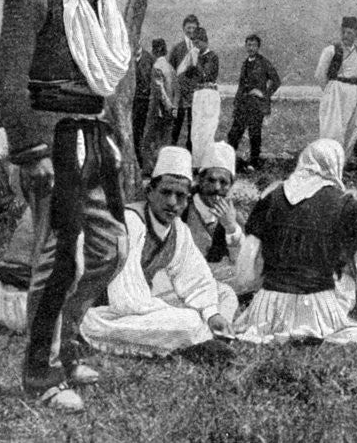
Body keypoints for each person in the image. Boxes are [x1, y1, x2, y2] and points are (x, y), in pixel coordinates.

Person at [0, 0, 130, 412]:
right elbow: (6, 78)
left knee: (111, 248)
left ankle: (68, 342)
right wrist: (29, 151)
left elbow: (102, 73)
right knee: (58, 257)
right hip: (52, 138)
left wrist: (109, 135)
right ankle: (40, 373)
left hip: (92, 133)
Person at [75, 146, 237, 358]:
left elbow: (195, 277)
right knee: (187, 322)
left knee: (214, 301)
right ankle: (192, 343)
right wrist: (174, 313)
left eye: (180, 196)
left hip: (138, 307)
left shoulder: (179, 230)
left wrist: (211, 313)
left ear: (187, 200)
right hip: (97, 308)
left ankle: (196, 338)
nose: (172, 202)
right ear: (150, 192)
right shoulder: (130, 222)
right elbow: (126, 299)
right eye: (166, 192)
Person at [233, 139, 357, 344]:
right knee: (347, 279)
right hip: (316, 308)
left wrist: (252, 286)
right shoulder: (344, 204)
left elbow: (249, 256)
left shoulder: (271, 198)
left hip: (268, 307)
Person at [183, 142, 256, 295]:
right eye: (211, 180)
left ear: (231, 186)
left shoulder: (233, 214)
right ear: (200, 180)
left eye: (223, 182)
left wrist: (230, 227)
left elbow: (242, 261)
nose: (217, 188)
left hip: (218, 276)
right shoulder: (183, 209)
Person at [226, 34, 281, 172]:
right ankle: (228, 161)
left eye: (254, 45)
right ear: (246, 46)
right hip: (243, 104)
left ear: (258, 47)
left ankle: (253, 163)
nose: (251, 48)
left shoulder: (263, 62)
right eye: (249, 45)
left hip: (256, 105)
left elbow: (276, 80)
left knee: (254, 134)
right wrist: (236, 104)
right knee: (234, 133)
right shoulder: (245, 63)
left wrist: (264, 94)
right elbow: (241, 86)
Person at [315, 16, 357, 156]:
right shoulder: (331, 50)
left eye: (349, 33)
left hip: (354, 93)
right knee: (333, 130)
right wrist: (331, 92)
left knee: (351, 129)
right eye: (343, 32)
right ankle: (328, 165)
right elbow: (320, 75)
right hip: (336, 92)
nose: (345, 36)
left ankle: (343, 165)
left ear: (356, 34)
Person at [176, 27, 220, 169]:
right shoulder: (196, 56)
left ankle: (206, 163)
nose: (196, 46)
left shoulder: (212, 56)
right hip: (197, 95)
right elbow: (182, 74)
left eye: (198, 42)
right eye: (194, 43)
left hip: (208, 95)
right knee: (195, 130)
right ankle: (195, 162)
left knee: (206, 130)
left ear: (205, 41)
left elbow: (205, 75)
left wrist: (195, 63)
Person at [141, 38, 177, 176]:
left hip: (158, 110)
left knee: (148, 140)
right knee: (164, 140)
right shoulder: (170, 67)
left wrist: (168, 106)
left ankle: (150, 169)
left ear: (154, 50)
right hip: (170, 110)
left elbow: (160, 90)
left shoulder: (156, 67)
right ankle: (163, 168)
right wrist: (173, 107)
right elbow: (175, 89)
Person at [169, 14, 201, 150]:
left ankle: (190, 153)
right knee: (176, 125)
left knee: (193, 127)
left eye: (194, 28)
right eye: (188, 27)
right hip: (180, 94)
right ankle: (171, 152)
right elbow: (171, 71)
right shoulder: (177, 48)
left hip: (195, 93)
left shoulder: (200, 48)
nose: (191, 30)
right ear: (183, 28)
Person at [132, 42, 155, 167]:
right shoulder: (127, 56)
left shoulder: (148, 58)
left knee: (139, 130)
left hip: (143, 100)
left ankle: (140, 160)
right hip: (130, 100)